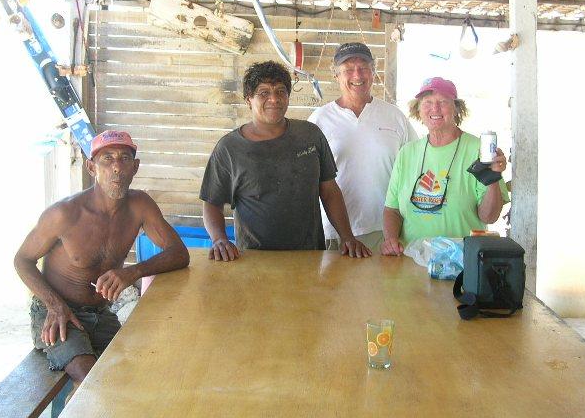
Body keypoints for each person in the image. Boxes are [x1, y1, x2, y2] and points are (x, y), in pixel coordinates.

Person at [14, 130, 190, 384]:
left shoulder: (140, 205)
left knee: (137, 370)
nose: (116, 168)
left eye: (124, 159)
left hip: (100, 313)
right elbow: (22, 260)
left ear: (135, 167)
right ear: (91, 167)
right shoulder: (65, 214)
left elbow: (179, 253)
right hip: (59, 314)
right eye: (107, 159)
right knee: (92, 382)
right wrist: (54, 304)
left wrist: (132, 272)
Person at [200, 60, 371, 260]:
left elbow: (329, 191)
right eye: (263, 93)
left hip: (309, 257)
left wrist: (347, 236)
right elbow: (212, 203)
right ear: (248, 99)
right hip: (253, 260)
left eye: (280, 91)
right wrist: (219, 239)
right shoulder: (229, 148)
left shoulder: (310, 135)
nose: (274, 99)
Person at [308, 42, 417, 252]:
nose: (357, 75)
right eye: (348, 70)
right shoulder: (319, 120)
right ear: (336, 76)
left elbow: (415, 166)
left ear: (373, 73)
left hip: (385, 231)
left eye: (364, 68)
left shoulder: (395, 117)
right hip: (334, 232)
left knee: (383, 285)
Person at [382, 77, 509, 255]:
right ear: (418, 108)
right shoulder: (407, 153)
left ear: (456, 108)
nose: (435, 109)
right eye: (427, 102)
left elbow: (489, 216)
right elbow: (392, 209)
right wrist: (391, 240)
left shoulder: (478, 150)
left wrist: (494, 177)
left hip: (460, 261)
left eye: (443, 102)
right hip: (412, 258)